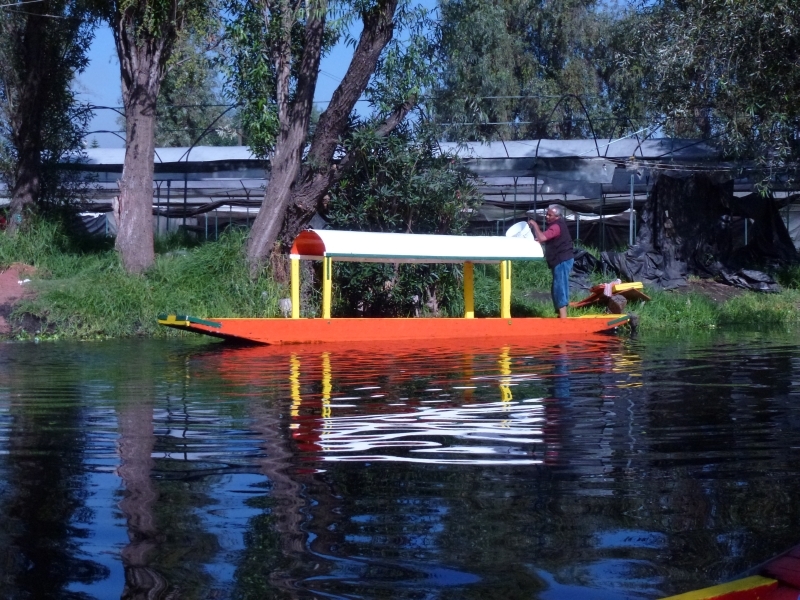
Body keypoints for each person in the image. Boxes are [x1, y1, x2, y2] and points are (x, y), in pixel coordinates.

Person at [528, 205, 575, 318]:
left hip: (562, 259)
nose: (547, 217)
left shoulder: (556, 226)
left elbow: (542, 238)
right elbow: (546, 238)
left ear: (557, 216)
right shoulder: (557, 225)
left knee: (559, 286)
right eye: (547, 214)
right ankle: (560, 315)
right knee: (557, 286)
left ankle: (563, 318)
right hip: (561, 259)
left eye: (550, 215)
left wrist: (535, 225)